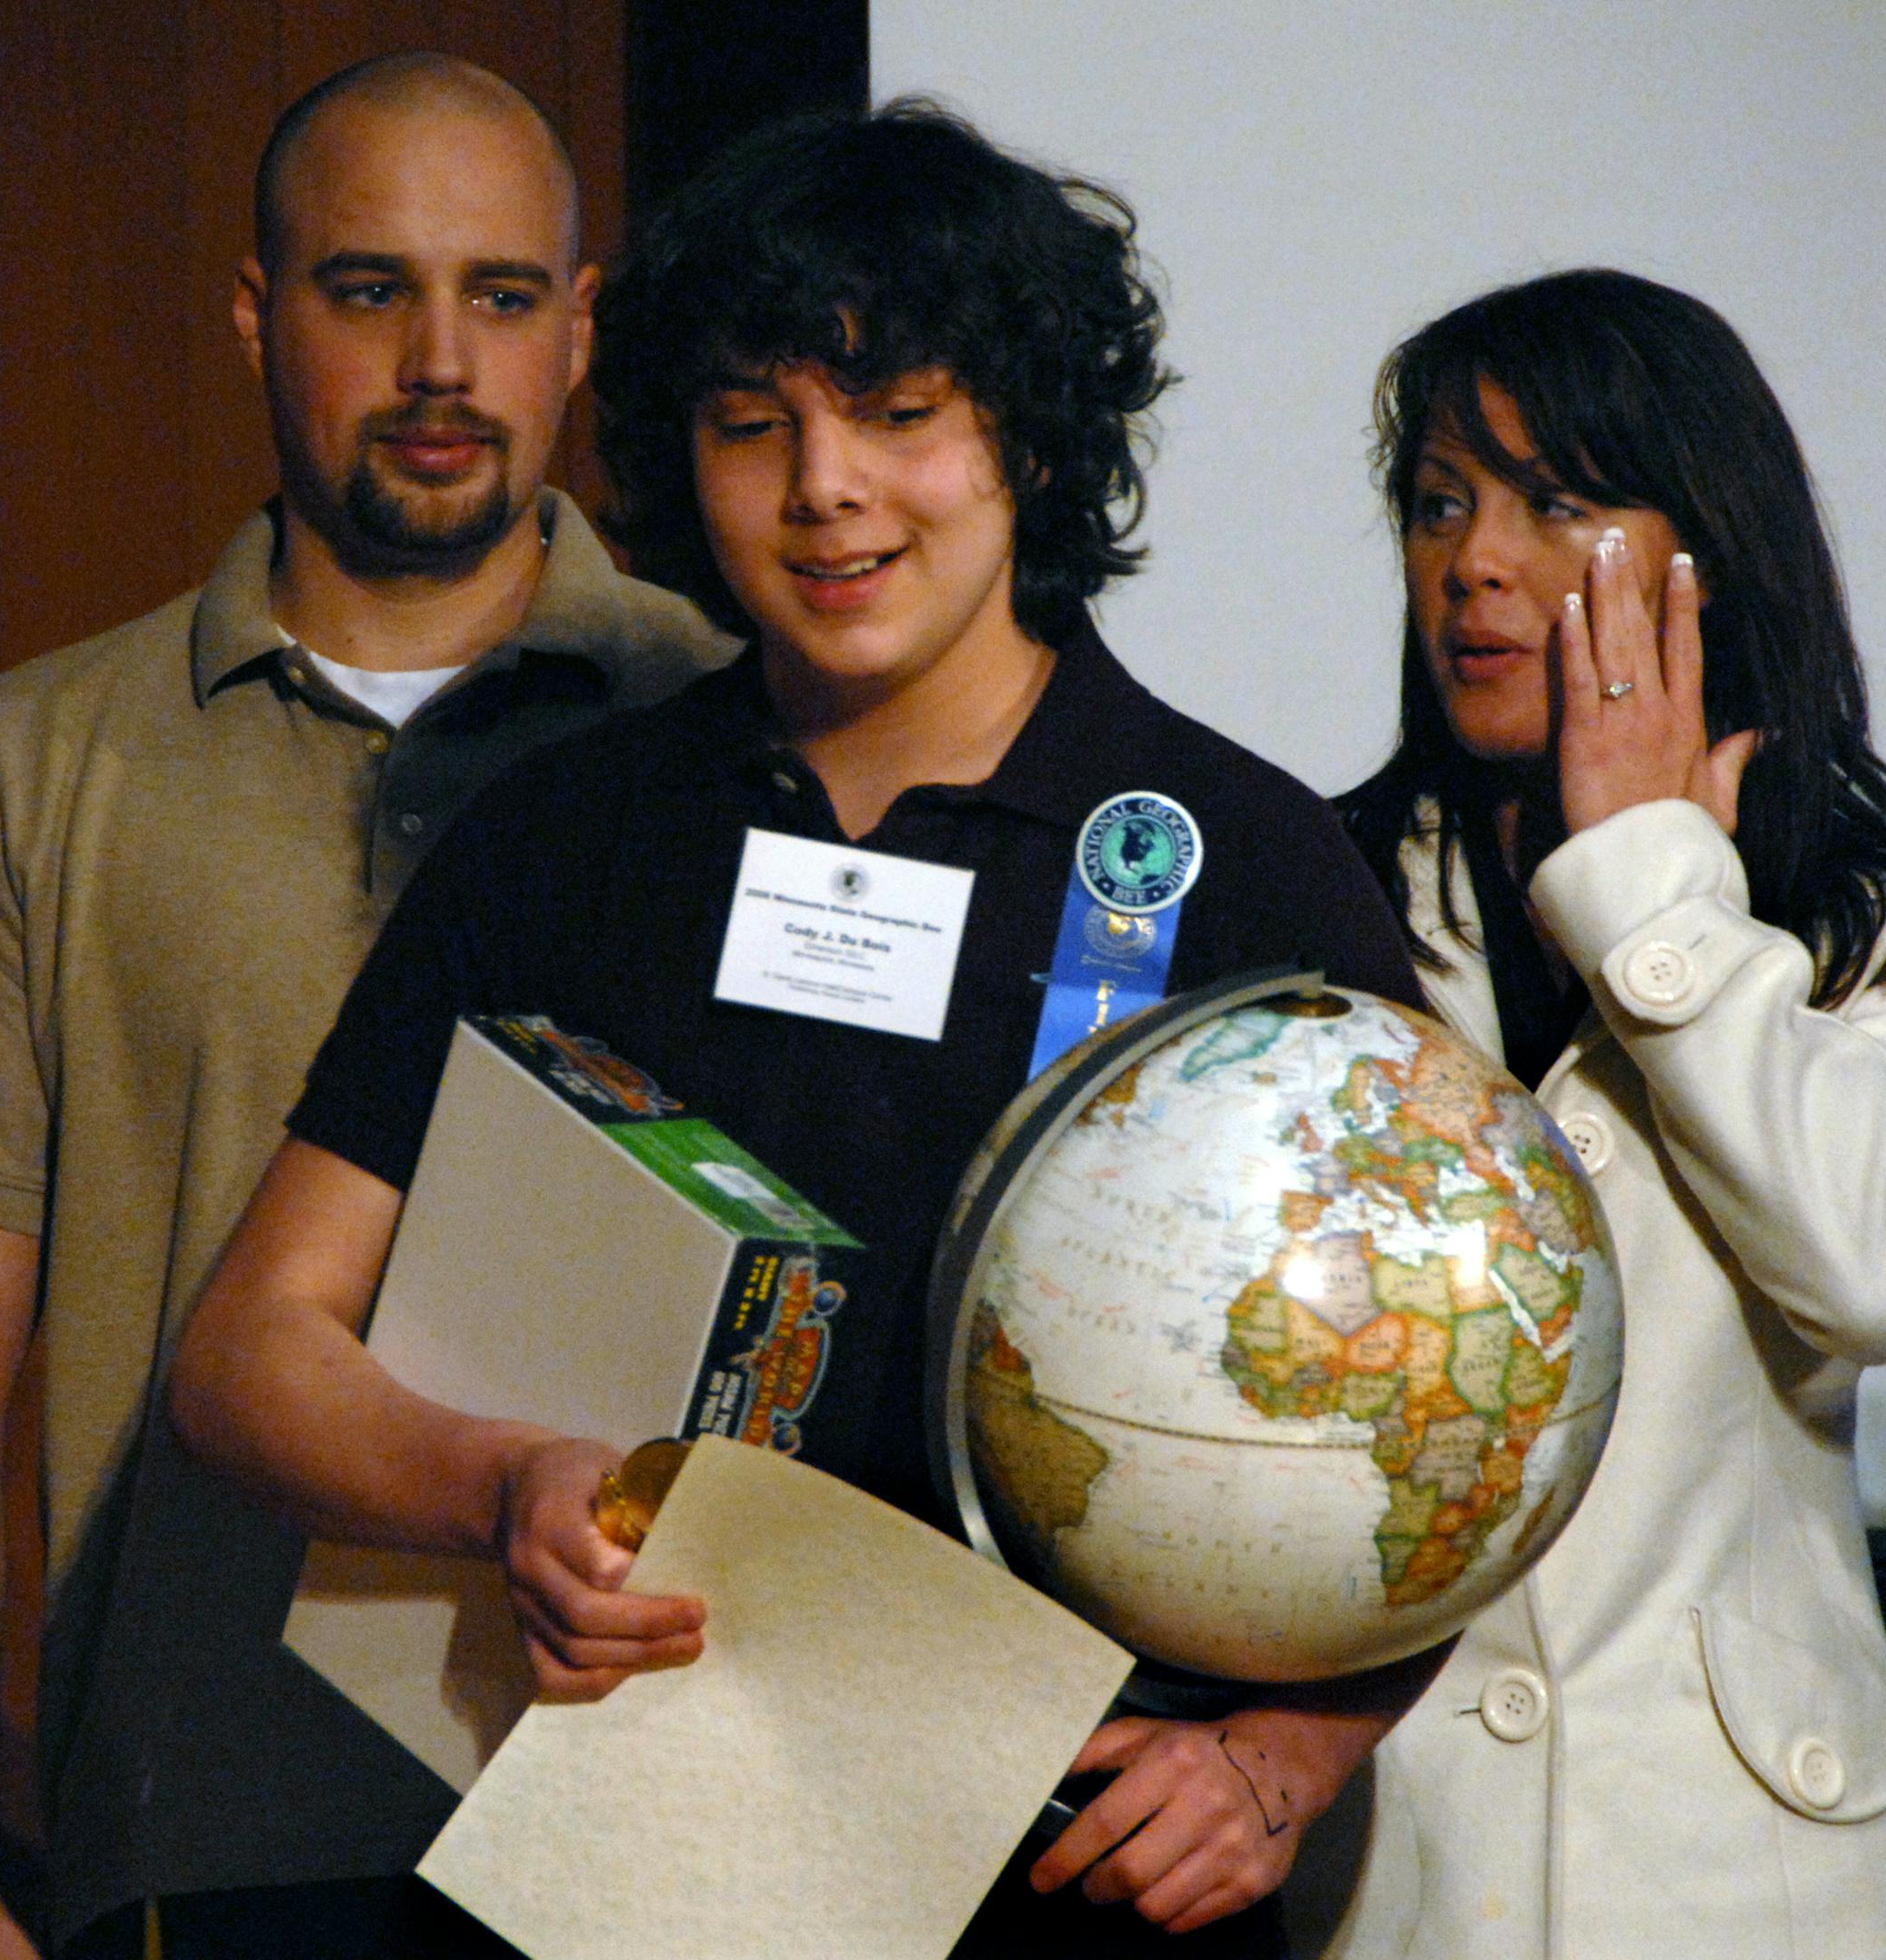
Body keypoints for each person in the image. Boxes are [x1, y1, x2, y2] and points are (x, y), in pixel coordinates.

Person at [170, 102, 1438, 1956]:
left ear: (1030, 430)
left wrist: (1292, 1753)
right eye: (753, 424)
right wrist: (504, 1484)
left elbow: (1461, 1414)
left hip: (1070, 1885)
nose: (825, 487)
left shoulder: (1241, 858)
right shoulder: (566, 829)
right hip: (606, 1865)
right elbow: (248, 1352)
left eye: (902, 412)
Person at [0, 50, 732, 1960]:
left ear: (581, 332)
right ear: (254, 315)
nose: (443, 361)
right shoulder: (31, 763)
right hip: (213, 1815)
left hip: (682, 1794)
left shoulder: (736, 727)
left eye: (506, 295)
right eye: (371, 289)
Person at [1309, 268, 1886, 1956]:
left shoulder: (1851, 909)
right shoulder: (1324, 894)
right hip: (1398, 1872)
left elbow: (1863, 1271)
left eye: (1556, 501)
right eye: (1438, 504)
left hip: (1744, 1874)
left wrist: (1653, 887)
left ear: (1706, 545)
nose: (1474, 561)